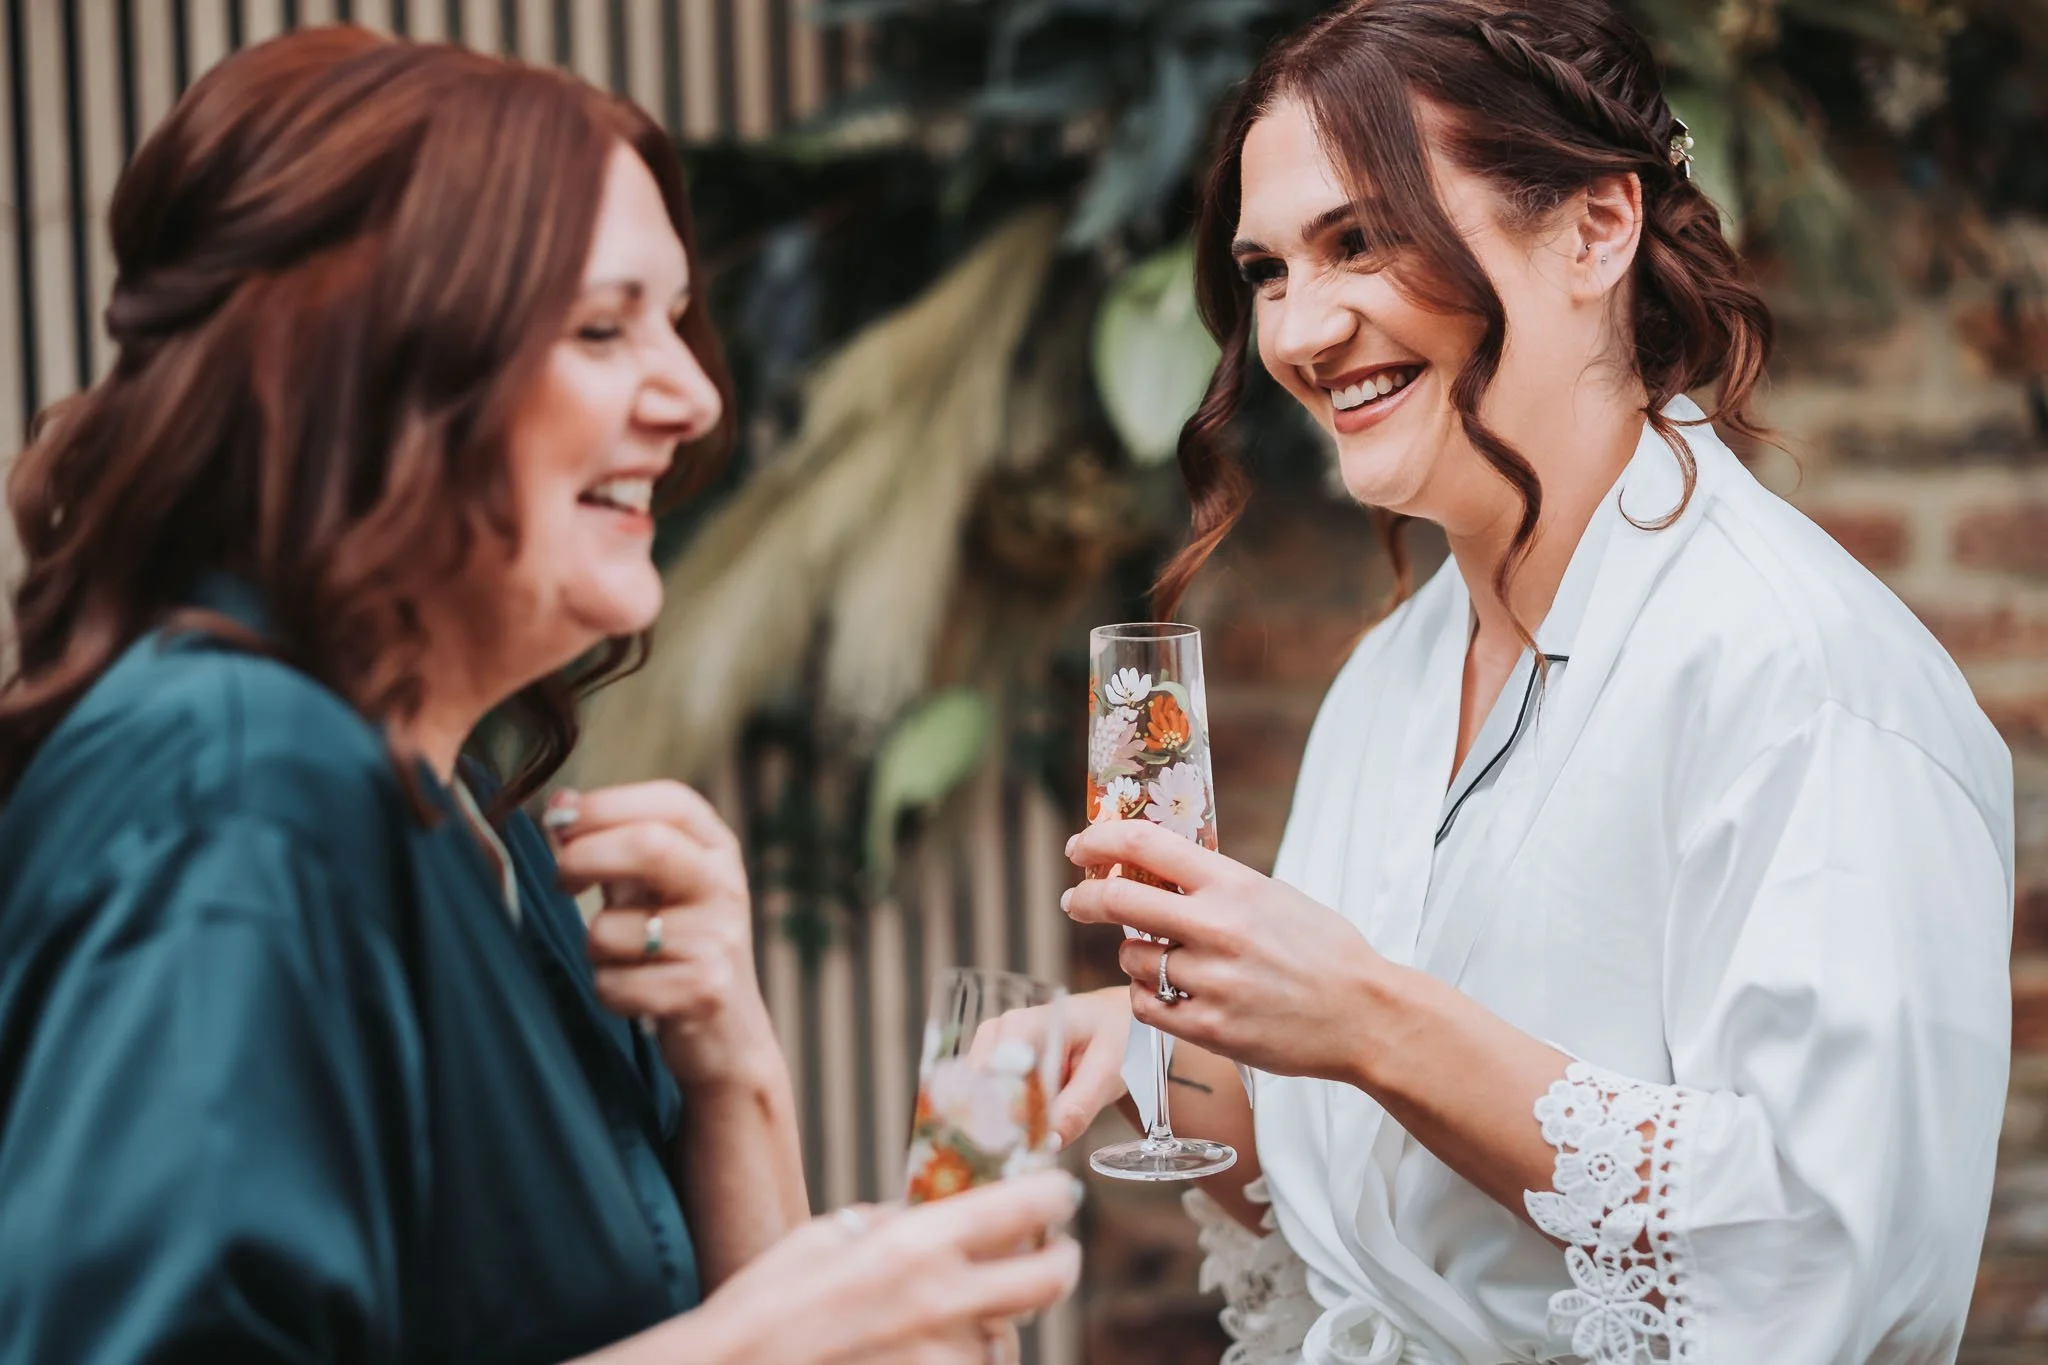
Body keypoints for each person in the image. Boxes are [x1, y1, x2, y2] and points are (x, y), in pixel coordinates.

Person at [0, 27, 1078, 1365]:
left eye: (677, 322)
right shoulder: (232, 783)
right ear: (364, 368)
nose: (691, 394)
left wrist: (729, 1065)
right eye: (601, 327)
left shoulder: (472, 808)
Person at [1046, 3, 2014, 1362]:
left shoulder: (1808, 682)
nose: (1302, 329)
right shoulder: (1387, 680)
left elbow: (1823, 1256)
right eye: (1268, 269)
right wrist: (1150, 1053)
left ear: (1595, 230)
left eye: (1363, 239)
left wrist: (1370, 1017)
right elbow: (1396, 1218)